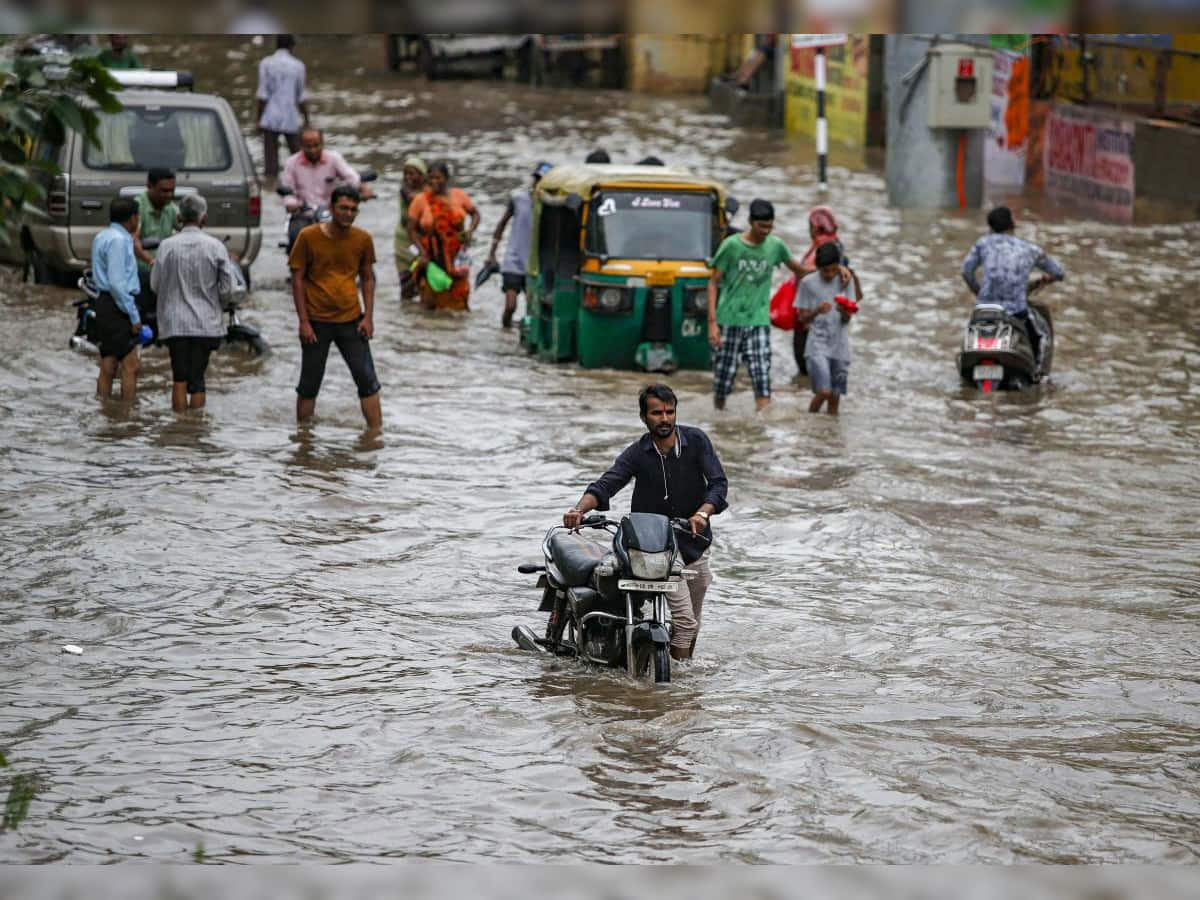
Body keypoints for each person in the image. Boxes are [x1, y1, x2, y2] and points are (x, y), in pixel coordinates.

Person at [563, 384, 728, 662]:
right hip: (655, 551)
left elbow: (718, 484)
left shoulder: (697, 441)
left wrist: (703, 513)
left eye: (669, 412)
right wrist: (578, 510)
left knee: (691, 624)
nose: (664, 419)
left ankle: (677, 671)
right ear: (644, 417)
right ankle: (676, 687)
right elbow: (607, 484)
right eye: (656, 413)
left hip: (695, 545)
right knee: (686, 624)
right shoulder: (638, 453)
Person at [288, 185, 382, 430]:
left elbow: (368, 277)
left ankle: (376, 435)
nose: (348, 214)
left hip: (351, 319)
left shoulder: (362, 239)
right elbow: (297, 278)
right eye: (343, 208)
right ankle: (304, 439)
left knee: (367, 380)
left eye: (353, 209)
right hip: (316, 321)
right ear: (332, 208)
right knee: (309, 383)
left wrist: (368, 317)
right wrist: (304, 322)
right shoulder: (308, 237)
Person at [706, 198, 813, 411]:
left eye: (769, 226)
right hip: (729, 318)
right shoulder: (731, 246)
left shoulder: (776, 246)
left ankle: (761, 433)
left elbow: (799, 270)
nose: (765, 231)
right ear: (750, 222)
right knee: (723, 381)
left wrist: (835, 268)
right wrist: (712, 323)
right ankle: (719, 421)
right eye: (761, 226)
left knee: (762, 376)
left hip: (758, 320)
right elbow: (713, 283)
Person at [151, 194, 246, 412]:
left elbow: (155, 285)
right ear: (205, 219)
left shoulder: (166, 246)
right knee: (198, 378)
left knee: (179, 377)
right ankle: (194, 431)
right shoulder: (215, 247)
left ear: (178, 217)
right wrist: (218, 303)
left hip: (174, 324)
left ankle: (179, 430)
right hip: (206, 323)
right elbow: (227, 288)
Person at [961, 206, 1065, 370]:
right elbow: (1059, 272)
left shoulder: (982, 244)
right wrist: (1048, 279)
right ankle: (1040, 375)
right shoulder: (1029, 249)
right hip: (1015, 313)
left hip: (985, 310)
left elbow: (966, 271)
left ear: (991, 227)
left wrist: (979, 293)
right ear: (1012, 224)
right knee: (1043, 335)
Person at [792, 205, 859, 378]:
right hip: (824, 318)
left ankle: (807, 398)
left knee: (808, 370)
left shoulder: (823, 248)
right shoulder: (836, 245)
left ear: (815, 227)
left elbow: (812, 273)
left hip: (814, 316)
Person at [794, 243, 860, 415]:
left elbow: (848, 316)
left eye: (833, 270)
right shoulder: (808, 283)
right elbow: (801, 318)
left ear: (838, 265)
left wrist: (844, 311)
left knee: (835, 398)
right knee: (824, 391)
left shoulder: (846, 280)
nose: (829, 275)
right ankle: (809, 423)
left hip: (840, 346)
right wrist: (816, 311)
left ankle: (827, 437)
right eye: (825, 271)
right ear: (818, 268)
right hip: (817, 345)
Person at [486, 161, 552, 328]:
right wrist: (492, 253)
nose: (538, 184)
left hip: (535, 264)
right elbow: (501, 225)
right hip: (513, 260)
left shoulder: (551, 205)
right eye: (537, 179)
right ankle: (505, 332)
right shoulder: (518, 199)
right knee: (510, 306)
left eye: (543, 180)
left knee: (533, 311)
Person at [409, 161, 480, 312]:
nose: (434, 182)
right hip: (432, 259)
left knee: (459, 306)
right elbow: (412, 230)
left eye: (438, 178)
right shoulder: (420, 200)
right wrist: (422, 252)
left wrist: (470, 231)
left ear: (447, 178)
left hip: (456, 258)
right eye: (431, 178)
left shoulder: (459, 196)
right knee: (430, 305)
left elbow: (475, 214)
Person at [92, 197, 143, 401]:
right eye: (137, 216)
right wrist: (133, 316)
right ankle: (127, 413)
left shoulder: (102, 236)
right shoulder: (119, 241)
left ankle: (104, 408)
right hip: (117, 305)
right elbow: (117, 283)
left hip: (104, 302)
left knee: (109, 360)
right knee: (131, 364)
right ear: (132, 218)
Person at [279, 127, 373, 213]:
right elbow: (287, 190)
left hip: (330, 212)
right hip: (302, 213)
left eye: (316, 145)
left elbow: (351, 177)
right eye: (308, 146)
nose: (313, 150)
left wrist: (363, 188)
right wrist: (291, 204)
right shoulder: (291, 163)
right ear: (301, 146)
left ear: (323, 143)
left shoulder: (334, 158)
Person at [256, 34, 308, 180]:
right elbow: (301, 97)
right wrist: (307, 120)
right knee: (298, 159)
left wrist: (258, 119)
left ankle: (271, 187)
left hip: (270, 116)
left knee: (270, 165)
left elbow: (262, 94)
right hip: (291, 117)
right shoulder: (298, 66)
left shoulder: (266, 63)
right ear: (292, 47)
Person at [133, 167, 179, 322]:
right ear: (149, 186)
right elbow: (134, 241)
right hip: (140, 272)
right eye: (163, 191)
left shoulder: (171, 208)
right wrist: (150, 261)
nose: (169, 195)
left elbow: (188, 227)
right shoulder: (138, 207)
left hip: (163, 271)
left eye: (172, 191)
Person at [393, 155, 427, 301]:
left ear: (422, 175)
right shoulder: (405, 191)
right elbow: (416, 200)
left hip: (423, 240)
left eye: (412, 173)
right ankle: (405, 311)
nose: (409, 177)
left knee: (425, 282)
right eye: (406, 173)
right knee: (406, 282)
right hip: (404, 241)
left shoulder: (429, 192)